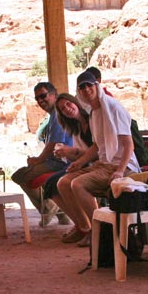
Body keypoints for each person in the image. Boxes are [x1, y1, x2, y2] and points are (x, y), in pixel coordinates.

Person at [56, 71, 140, 247]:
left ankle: (102, 231)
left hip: (121, 165)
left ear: (97, 85)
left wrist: (119, 170)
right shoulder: (94, 112)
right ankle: (85, 227)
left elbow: (128, 145)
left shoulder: (113, 107)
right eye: (82, 87)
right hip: (103, 164)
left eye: (89, 85)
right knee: (63, 183)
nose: (87, 89)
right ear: (79, 92)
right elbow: (97, 146)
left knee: (78, 184)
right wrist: (79, 162)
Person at [12, 82, 73, 226]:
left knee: (21, 176)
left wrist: (38, 160)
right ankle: (61, 215)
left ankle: (48, 209)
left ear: (53, 94)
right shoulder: (53, 115)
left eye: (43, 96)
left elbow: (53, 144)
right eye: (37, 98)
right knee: (42, 178)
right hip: (59, 160)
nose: (40, 101)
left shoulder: (57, 114)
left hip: (61, 162)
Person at [44, 94, 95, 241]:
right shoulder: (75, 128)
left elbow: (100, 151)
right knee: (50, 183)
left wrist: (74, 153)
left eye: (68, 104)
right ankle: (82, 225)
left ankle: (91, 227)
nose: (67, 109)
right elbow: (78, 155)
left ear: (76, 103)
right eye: (62, 109)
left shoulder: (93, 121)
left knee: (65, 182)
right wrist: (64, 153)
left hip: (98, 164)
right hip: (85, 164)